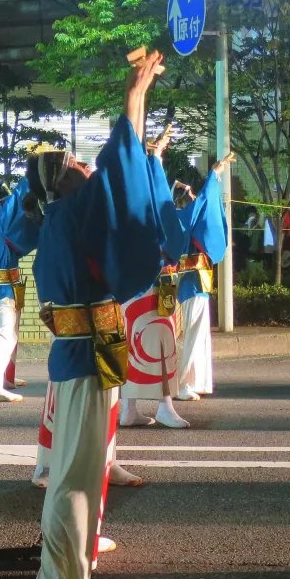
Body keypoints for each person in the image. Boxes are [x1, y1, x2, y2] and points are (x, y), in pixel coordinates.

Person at [24, 51, 171, 579]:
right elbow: (120, 171)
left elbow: (118, 171)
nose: (86, 166)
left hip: (85, 354)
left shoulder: (65, 218)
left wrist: (137, 101)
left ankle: (72, 566)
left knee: (79, 468)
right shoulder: (74, 216)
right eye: (75, 165)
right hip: (86, 356)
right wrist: (134, 97)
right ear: (62, 183)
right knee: (75, 474)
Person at [118, 129, 190, 428]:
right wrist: (157, 158)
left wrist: (155, 156)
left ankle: (129, 407)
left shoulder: (121, 198)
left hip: (130, 283)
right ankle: (164, 405)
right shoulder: (143, 201)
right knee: (160, 343)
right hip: (151, 280)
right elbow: (168, 218)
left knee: (135, 345)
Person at [175, 154, 232, 401]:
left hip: (196, 283)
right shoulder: (182, 218)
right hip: (189, 285)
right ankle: (183, 383)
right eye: (188, 195)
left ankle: (195, 381)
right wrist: (215, 174)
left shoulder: (184, 216)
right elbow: (204, 205)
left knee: (198, 334)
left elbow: (203, 206)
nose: (192, 197)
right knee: (192, 334)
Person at [0, 176, 39, 402]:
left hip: (3, 287)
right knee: (6, 335)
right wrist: (32, 173)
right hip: (3, 289)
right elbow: (17, 199)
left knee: (2, 334)